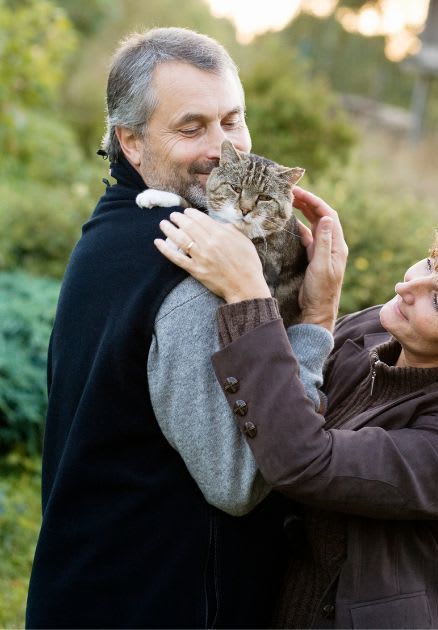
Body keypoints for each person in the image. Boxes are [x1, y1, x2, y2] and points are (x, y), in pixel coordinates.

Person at [154, 209, 438, 628]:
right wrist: (311, 303)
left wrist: (249, 296)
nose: (407, 287)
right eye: (429, 264)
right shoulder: (378, 329)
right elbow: (292, 394)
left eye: (437, 300)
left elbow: (307, 461)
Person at [28, 27, 314, 626]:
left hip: (90, 590)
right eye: (192, 127)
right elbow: (240, 481)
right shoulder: (189, 272)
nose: (221, 147)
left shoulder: (114, 228)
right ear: (130, 142)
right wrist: (313, 322)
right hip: (156, 604)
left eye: (232, 120)